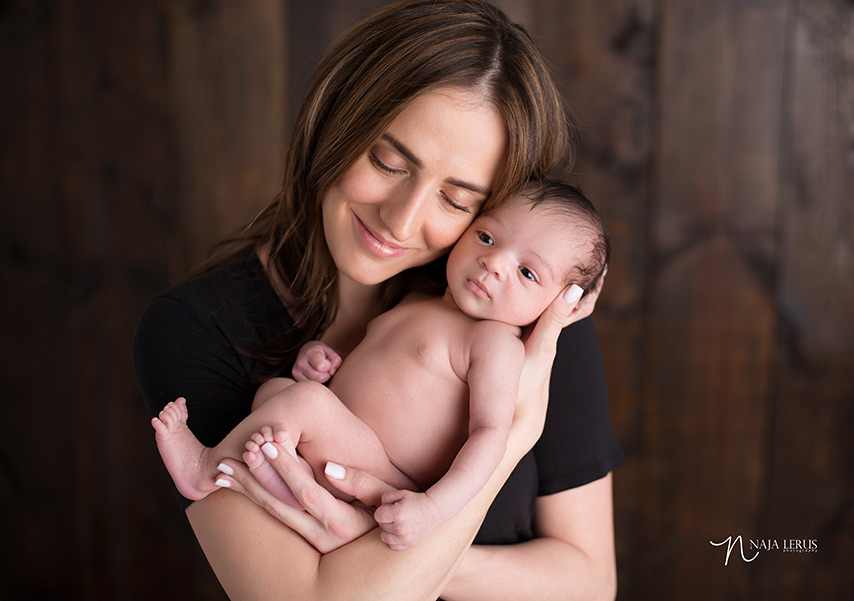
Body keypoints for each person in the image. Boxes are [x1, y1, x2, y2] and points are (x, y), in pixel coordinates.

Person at [133, 1, 624, 599]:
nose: (401, 219)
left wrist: (508, 438)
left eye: (457, 200)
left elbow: (589, 584)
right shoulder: (196, 328)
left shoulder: (522, 314)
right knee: (281, 394)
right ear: (335, 121)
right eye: (388, 162)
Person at [151, 181, 611, 552]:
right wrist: (322, 363)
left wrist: (433, 508)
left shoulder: (496, 344)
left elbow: (490, 434)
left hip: (385, 473)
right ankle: (282, 481)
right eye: (487, 237)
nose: (493, 263)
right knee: (277, 393)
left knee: (303, 403)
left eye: (527, 273)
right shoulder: (414, 299)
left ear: (558, 304)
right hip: (343, 442)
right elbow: (378, 372)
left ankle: (205, 467)